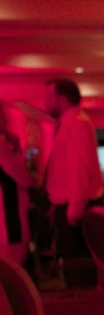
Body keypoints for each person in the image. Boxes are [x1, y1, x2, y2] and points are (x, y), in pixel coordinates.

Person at [43, 79, 103, 285]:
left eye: (50, 98)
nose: (46, 103)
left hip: (76, 206)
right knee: (75, 266)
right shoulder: (70, 123)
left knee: (78, 268)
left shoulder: (76, 123)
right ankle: (84, 314)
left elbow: (79, 168)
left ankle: (86, 314)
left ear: (64, 99)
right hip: (70, 204)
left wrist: (74, 207)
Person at [0, 104, 32, 265]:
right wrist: (17, 150)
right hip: (8, 228)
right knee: (10, 280)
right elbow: (25, 180)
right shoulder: (2, 149)